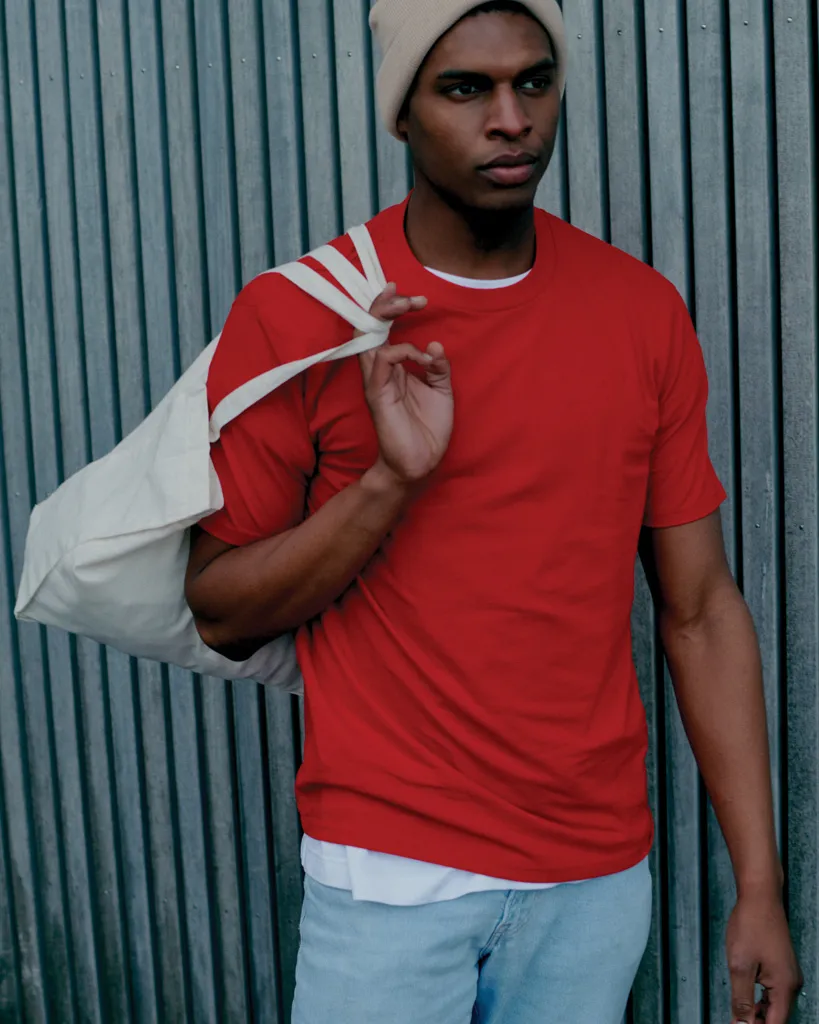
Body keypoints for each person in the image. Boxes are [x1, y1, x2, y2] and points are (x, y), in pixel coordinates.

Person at [185, 1, 802, 1021]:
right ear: (402, 113)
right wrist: (387, 484)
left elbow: (698, 610)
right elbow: (220, 609)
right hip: (389, 881)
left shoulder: (640, 311)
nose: (510, 118)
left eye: (534, 82)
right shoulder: (305, 316)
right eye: (465, 88)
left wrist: (760, 886)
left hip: (593, 884)